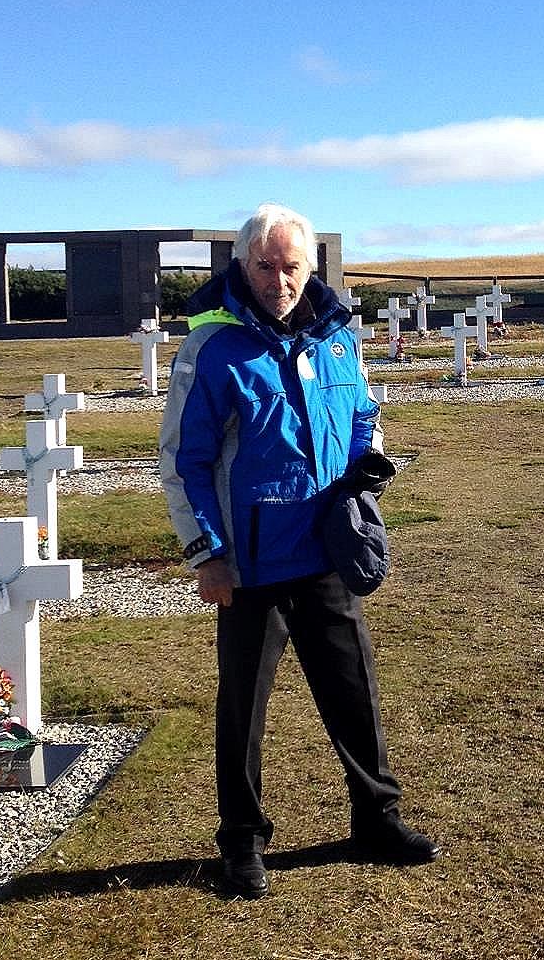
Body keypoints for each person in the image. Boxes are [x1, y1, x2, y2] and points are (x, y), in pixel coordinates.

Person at [160, 202, 439, 898]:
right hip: (249, 567)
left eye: (291, 267)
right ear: (243, 264)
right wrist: (207, 554)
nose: (278, 280)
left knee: (355, 697)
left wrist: (362, 479)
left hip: (324, 558)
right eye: (265, 265)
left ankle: (376, 819)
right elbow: (182, 462)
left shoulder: (338, 340)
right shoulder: (213, 350)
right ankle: (242, 844)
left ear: (309, 268)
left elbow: (363, 416)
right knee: (243, 712)